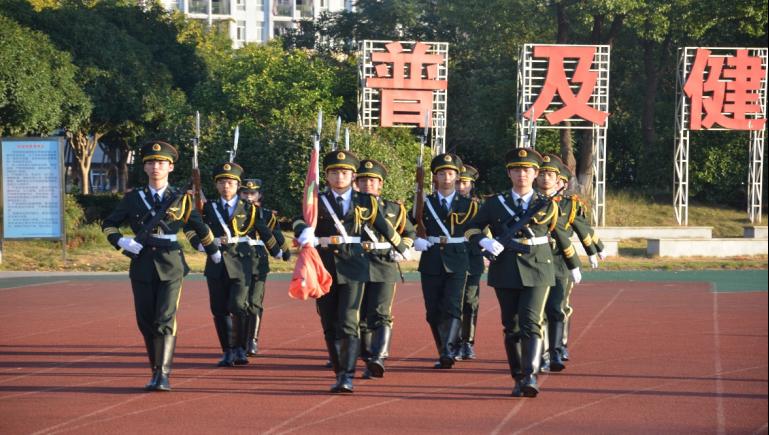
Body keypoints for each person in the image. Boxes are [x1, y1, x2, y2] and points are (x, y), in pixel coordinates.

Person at [102, 140, 221, 391]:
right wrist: (121, 241)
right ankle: (154, 370)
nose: (156, 167)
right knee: (146, 321)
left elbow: (199, 227)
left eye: (161, 163)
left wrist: (213, 251)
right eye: (151, 163)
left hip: (171, 264)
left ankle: (163, 374)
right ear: (145, 167)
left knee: (164, 318)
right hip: (142, 264)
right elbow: (109, 224)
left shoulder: (182, 199)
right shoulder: (133, 198)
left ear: (170, 167)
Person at [464, 147, 582, 398]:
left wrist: (573, 264)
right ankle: (517, 376)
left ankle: (530, 376)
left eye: (527, 170)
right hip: (505, 268)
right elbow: (471, 228)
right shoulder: (495, 203)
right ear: (509, 173)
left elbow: (561, 234)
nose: (522, 174)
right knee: (512, 325)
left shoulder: (547, 204)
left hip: (539, 266)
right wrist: (485, 242)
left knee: (531, 321)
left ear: (536, 173)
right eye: (516, 170)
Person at [293, 150, 410, 393]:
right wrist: (303, 230)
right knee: (329, 323)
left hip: (355, 266)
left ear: (353, 176)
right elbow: (299, 219)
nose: (339, 177)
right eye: (334, 172)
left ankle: (345, 377)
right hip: (324, 266)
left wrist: (401, 246)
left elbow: (383, 226)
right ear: (326, 176)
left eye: (345, 172)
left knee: (348, 321)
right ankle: (339, 370)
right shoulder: (316, 200)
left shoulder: (365, 201)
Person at [188, 163, 277, 368]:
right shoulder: (207, 207)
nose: (225, 186)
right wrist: (200, 245)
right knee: (219, 309)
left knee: (238, 305)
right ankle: (227, 351)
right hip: (217, 261)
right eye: (221, 182)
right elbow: (191, 227)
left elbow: (263, 230)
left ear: (238, 185)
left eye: (230, 182)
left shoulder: (250, 208)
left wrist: (278, 249)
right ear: (216, 185)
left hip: (242, 262)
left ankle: (240, 348)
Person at [412, 153, 478, 369]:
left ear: (457, 176)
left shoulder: (468, 204)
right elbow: (409, 224)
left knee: (452, 305)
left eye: (450, 173)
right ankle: (444, 348)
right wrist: (415, 239)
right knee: (432, 311)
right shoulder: (424, 202)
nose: (446, 178)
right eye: (442, 174)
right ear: (435, 177)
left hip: (457, 258)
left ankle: (448, 351)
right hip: (431, 258)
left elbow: (476, 230)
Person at [540, 157, 606, 365]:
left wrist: (594, 249)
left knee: (558, 306)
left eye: (552, 176)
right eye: (542, 174)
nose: (546, 179)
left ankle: (559, 346)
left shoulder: (570, 204)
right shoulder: (532, 201)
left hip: (561, 260)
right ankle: (543, 351)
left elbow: (582, 227)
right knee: (539, 310)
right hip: (537, 260)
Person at [355, 159, 415, 379]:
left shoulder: (394, 209)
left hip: (384, 263)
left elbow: (409, 232)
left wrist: (402, 248)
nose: (367, 183)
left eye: (372, 180)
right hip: (355, 262)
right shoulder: (349, 207)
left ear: (380, 184)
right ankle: (367, 358)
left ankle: (379, 357)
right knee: (359, 315)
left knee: (381, 313)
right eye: (363, 180)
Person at [239, 178, 291, 356]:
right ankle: (239, 341)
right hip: (237, 259)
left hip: (258, 260)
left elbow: (276, 234)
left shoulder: (267, 214)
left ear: (259, 195)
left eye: (252, 193)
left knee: (254, 301)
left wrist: (285, 251)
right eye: (245, 193)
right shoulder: (234, 212)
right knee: (239, 302)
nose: (248, 196)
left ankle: (252, 340)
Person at [454, 164, 484, 361]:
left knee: (470, 301)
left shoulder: (478, 206)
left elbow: (484, 231)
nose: (460, 186)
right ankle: (453, 342)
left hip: (472, 257)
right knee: (452, 301)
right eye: (457, 182)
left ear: (472, 185)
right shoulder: (447, 203)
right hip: (452, 258)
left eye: (464, 183)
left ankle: (467, 342)